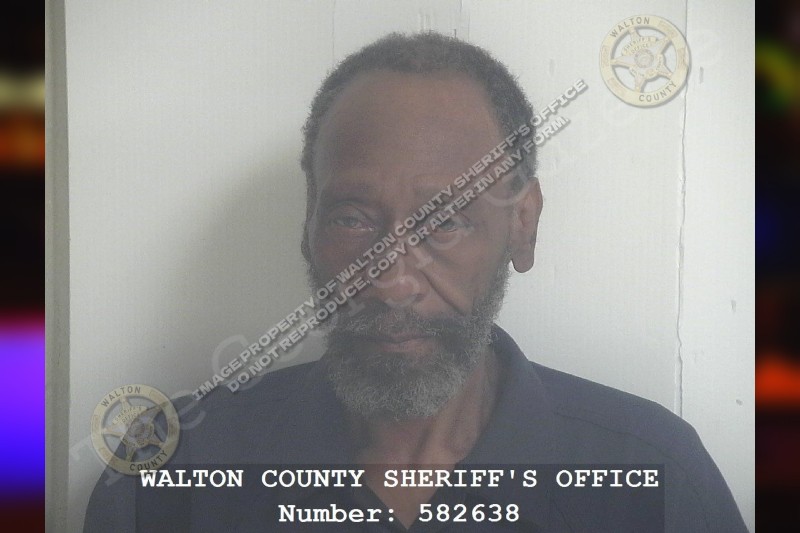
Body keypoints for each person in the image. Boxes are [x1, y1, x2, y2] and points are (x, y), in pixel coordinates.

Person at [84, 32, 747, 532]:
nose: (392, 281)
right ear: (308, 225)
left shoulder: (654, 477)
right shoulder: (173, 471)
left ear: (521, 225)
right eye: (352, 217)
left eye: (446, 222)